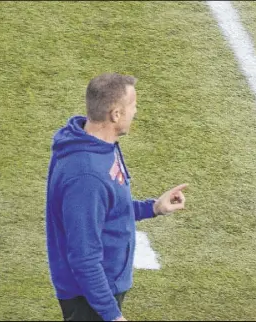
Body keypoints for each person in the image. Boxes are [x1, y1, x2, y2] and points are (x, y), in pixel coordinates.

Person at [45, 73, 188, 321]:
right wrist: (112, 315)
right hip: (89, 297)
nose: (137, 111)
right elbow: (84, 259)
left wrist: (153, 208)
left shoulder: (99, 146)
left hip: (101, 288)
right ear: (116, 114)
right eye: (132, 105)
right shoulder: (86, 176)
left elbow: (110, 209)